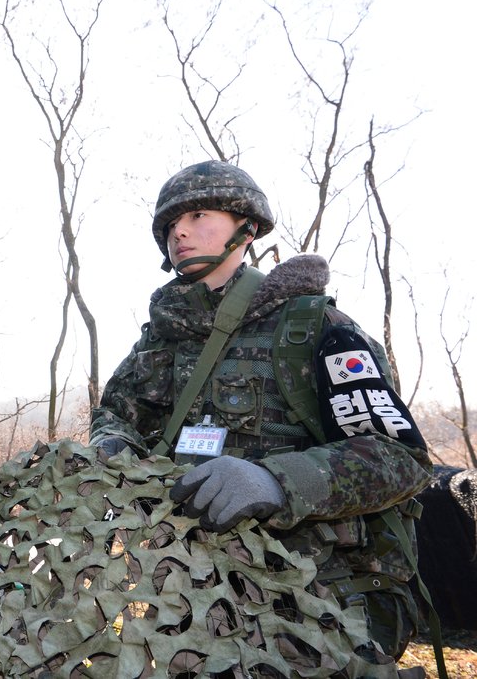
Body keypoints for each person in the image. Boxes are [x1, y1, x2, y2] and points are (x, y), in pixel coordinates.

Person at [89, 160, 432, 665]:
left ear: (246, 229)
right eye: (170, 224)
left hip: (311, 599)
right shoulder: (161, 339)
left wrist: (276, 481)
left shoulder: (312, 327)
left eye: (198, 215)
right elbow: (115, 416)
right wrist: (112, 446)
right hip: (190, 597)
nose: (179, 232)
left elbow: (400, 458)